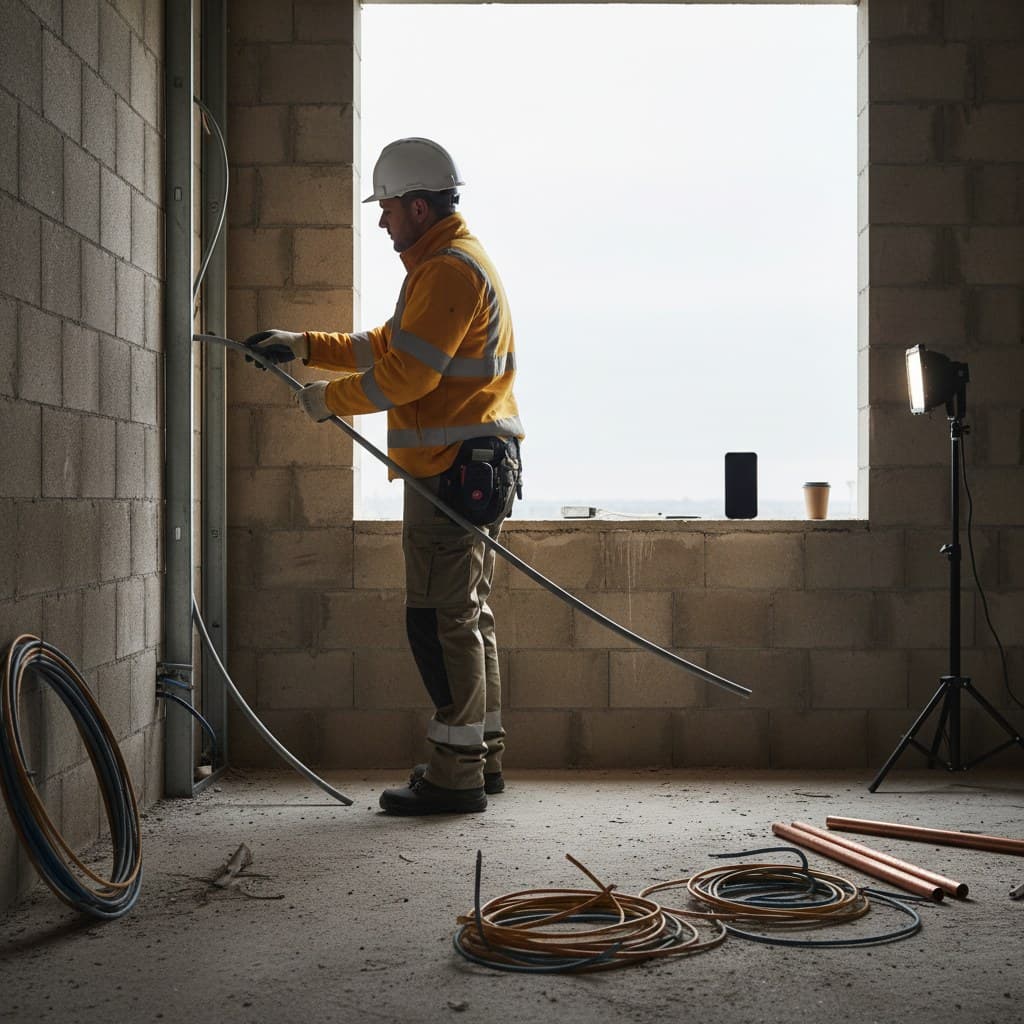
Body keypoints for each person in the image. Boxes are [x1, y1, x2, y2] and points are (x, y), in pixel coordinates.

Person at [245, 138, 524, 816]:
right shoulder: (441, 266)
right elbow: (388, 347)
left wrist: (327, 399)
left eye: (389, 208)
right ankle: (478, 758)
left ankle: (455, 774)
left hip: (452, 476)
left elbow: (408, 375)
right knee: (466, 618)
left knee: (438, 621)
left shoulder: (450, 271)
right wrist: (305, 347)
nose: (382, 221)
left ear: (420, 207)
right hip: (466, 470)